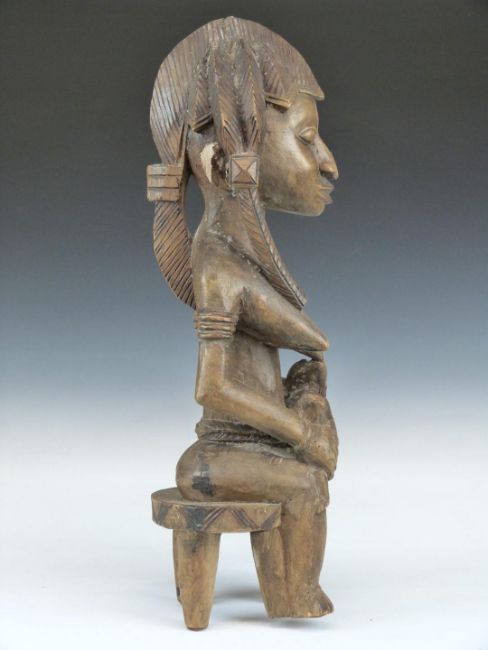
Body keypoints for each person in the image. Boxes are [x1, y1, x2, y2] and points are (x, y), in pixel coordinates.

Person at [147, 17, 339, 618]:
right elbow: (212, 388)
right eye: (307, 139)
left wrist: (307, 379)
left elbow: (296, 332)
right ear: (235, 150)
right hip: (215, 456)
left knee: (308, 463)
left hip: (252, 442)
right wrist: (299, 432)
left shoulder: (236, 256)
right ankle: (295, 596)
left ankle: (286, 586)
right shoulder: (217, 262)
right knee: (306, 481)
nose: (328, 164)